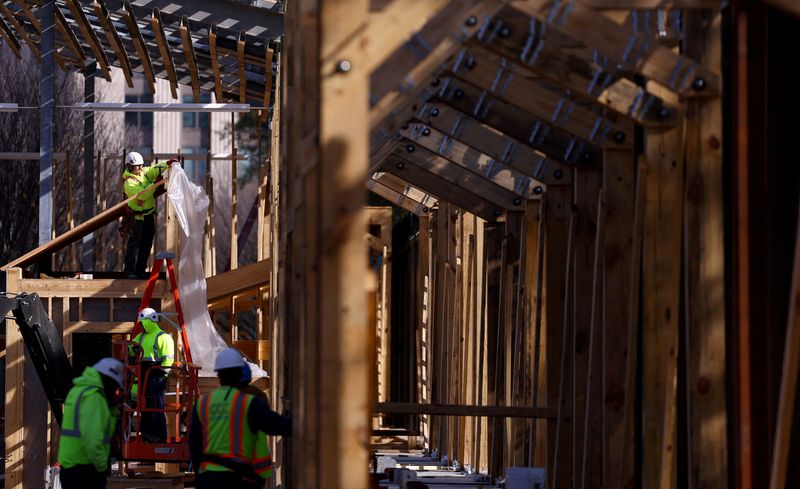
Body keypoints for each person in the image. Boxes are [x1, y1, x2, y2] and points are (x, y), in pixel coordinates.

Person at [189, 348, 291, 489]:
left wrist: (199, 477)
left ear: (219, 375)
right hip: (235, 478)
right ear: (240, 373)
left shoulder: (203, 403)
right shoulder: (248, 403)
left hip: (208, 478)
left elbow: (194, 445)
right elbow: (277, 425)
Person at [58, 357, 125, 489]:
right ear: (108, 380)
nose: (115, 390)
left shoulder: (80, 391)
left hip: (72, 467)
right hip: (85, 470)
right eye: (114, 386)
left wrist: (111, 407)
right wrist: (102, 466)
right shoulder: (94, 397)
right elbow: (92, 439)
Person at [122, 151, 176, 279]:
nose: (140, 168)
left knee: (146, 244)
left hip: (148, 215)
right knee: (134, 245)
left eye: (141, 165)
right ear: (129, 166)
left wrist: (167, 163)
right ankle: (129, 270)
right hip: (137, 218)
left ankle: (140, 270)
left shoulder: (144, 173)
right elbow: (144, 194)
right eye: (137, 166)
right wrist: (156, 184)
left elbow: (154, 169)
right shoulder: (129, 183)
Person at [129, 307, 174, 443]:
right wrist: (131, 349)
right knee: (145, 406)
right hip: (144, 373)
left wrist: (162, 377)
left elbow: (168, 360)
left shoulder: (164, 337)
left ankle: (158, 436)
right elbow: (130, 348)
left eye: (143, 322)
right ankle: (147, 434)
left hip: (156, 375)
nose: (141, 325)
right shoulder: (140, 337)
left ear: (149, 321)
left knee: (156, 405)